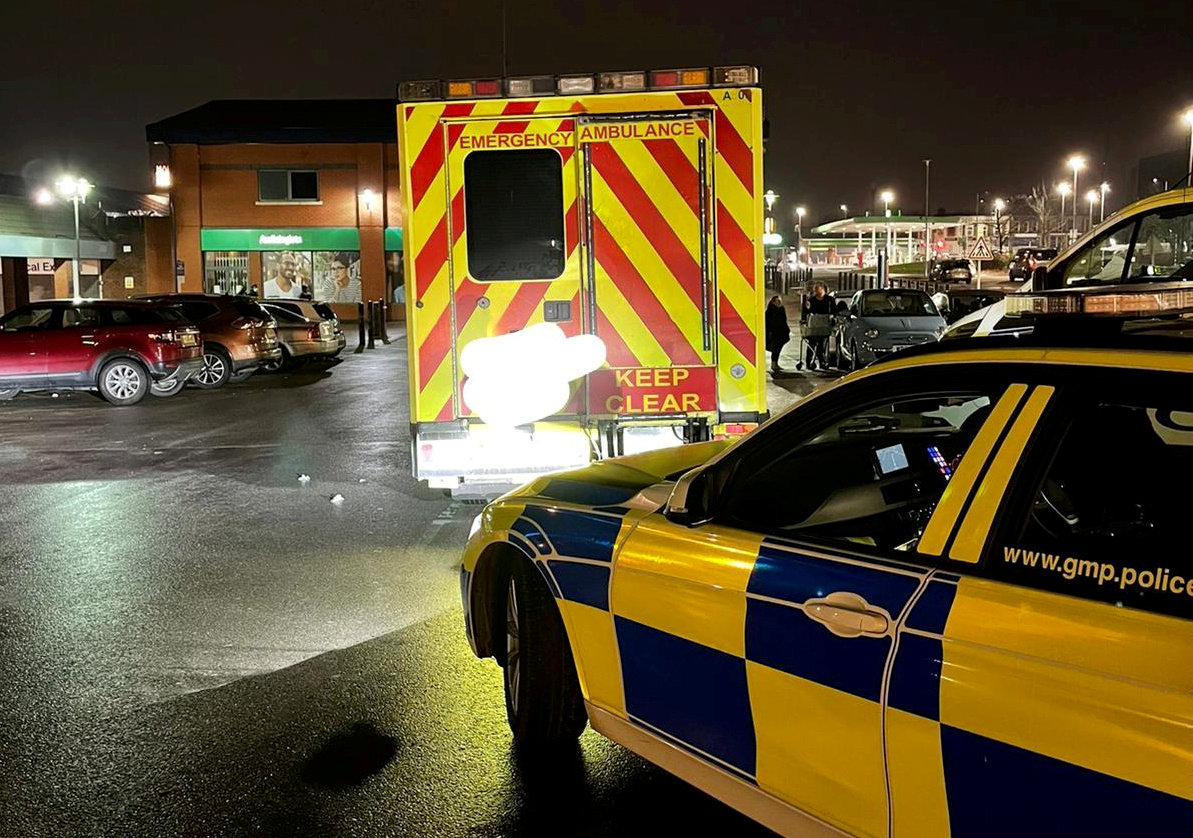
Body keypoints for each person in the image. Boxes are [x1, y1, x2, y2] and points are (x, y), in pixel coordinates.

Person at [801, 282, 835, 370]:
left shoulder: (830, 300)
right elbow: (806, 311)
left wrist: (832, 318)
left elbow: (834, 311)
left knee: (822, 344)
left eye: (818, 289)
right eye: (815, 289)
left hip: (824, 324)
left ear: (823, 289)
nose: (816, 291)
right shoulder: (812, 300)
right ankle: (809, 363)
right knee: (811, 343)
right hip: (814, 324)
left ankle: (822, 362)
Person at [765, 295, 790, 374]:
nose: (779, 302)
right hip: (774, 333)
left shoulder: (782, 309)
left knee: (777, 349)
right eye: (777, 301)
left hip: (781, 332)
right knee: (775, 349)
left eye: (779, 301)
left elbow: (784, 321)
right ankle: (774, 364)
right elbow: (768, 323)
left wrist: (787, 330)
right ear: (773, 302)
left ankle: (775, 363)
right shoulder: (769, 311)